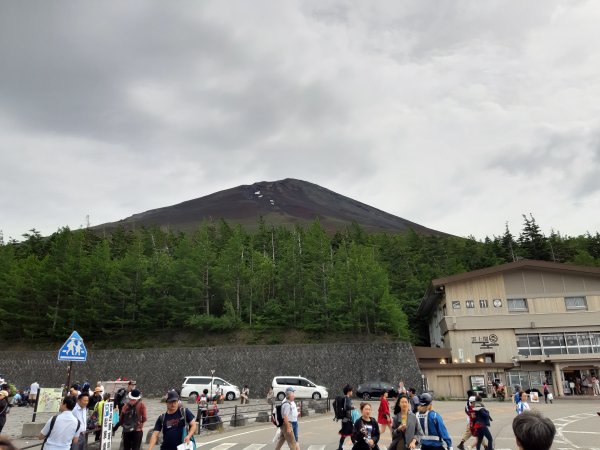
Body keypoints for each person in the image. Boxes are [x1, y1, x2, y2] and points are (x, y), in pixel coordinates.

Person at [337, 385, 354, 450]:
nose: (352, 392)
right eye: (351, 391)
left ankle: (354, 447)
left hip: (347, 420)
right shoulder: (347, 398)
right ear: (348, 392)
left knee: (352, 434)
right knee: (345, 435)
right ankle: (339, 448)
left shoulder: (345, 398)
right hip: (347, 421)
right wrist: (353, 407)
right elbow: (347, 407)